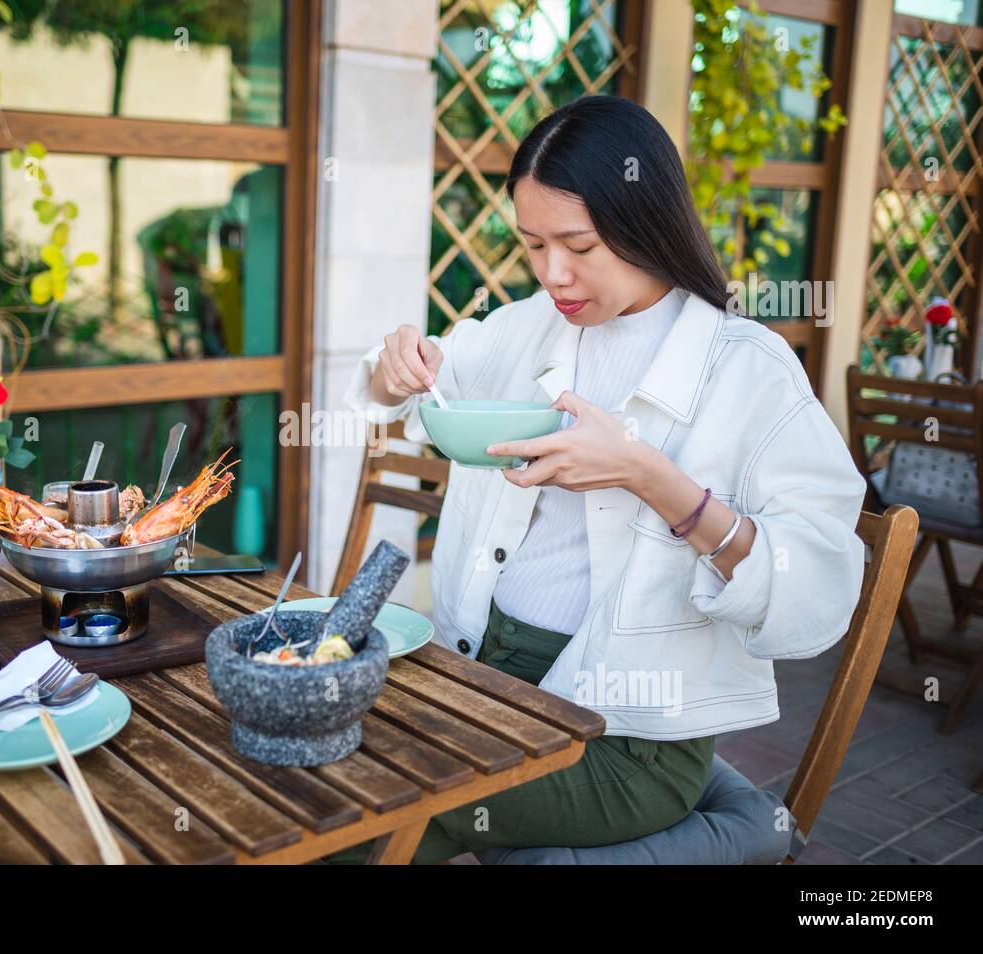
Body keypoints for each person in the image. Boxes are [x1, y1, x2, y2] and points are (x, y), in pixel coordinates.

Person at [336, 95, 868, 864]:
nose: (554, 273)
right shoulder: (528, 328)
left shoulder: (747, 370)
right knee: (314, 744)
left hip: (629, 738)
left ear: (647, 219)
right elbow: (412, 392)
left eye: (579, 244)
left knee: (381, 801)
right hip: (479, 676)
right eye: (533, 244)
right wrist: (394, 372)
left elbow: (820, 590)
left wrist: (654, 479)